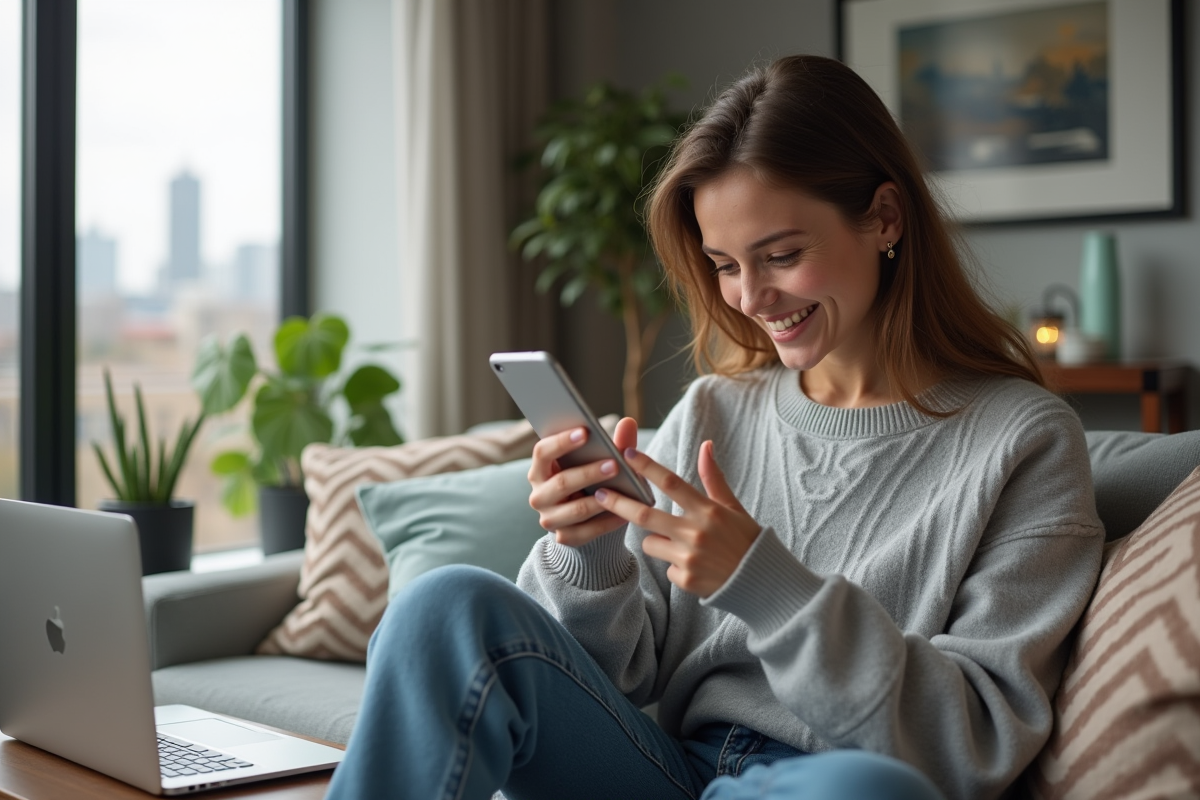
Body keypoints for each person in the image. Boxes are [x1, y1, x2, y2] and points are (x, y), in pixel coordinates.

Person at [326, 54, 1104, 800]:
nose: (751, 298)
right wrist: (591, 550)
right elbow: (620, 676)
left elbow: (973, 744)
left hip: (836, 779)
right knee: (442, 607)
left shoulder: (1024, 440)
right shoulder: (713, 409)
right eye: (726, 264)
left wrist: (766, 587)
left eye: (781, 255)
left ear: (885, 218)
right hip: (665, 770)